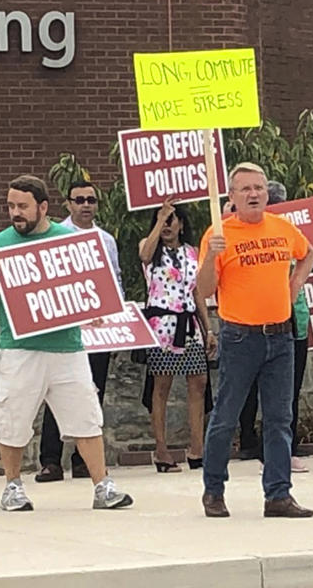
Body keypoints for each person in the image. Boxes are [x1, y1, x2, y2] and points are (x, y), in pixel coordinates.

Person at [0, 175, 132, 511]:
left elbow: (90, 288)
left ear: (43, 207)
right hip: (19, 348)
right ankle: (12, 487)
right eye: (11, 205)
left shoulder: (70, 241)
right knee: (12, 419)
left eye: (23, 206)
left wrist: (95, 311)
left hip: (67, 348)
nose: (16, 212)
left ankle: (103, 486)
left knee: (86, 416)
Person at [198, 162, 313, 518]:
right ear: (231, 197)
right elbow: (203, 291)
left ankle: (278, 494)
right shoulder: (218, 233)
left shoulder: (282, 227)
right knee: (226, 416)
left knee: (280, 418)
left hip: (280, 335)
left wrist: (294, 286)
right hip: (239, 337)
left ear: (267, 193)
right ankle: (214, 491)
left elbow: (307, 253)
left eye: (259, 188)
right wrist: (213, 257)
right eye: (245, 189)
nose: (253, 194)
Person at [35, 180, 123, 483]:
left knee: (92, 393)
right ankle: (50, 460)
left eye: (91, 200)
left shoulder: (107, 240)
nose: (86, 205)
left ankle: (83, 461)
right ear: (69, 204)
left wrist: (118, 318)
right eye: (80, 200)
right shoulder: (56, 236)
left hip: (99, 332)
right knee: (55, 395)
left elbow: (115, 280)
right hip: (65, 334)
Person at [237, 180, 311, 474]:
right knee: (249, 391)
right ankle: (252, 444)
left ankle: (282, 451)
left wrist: (293, 288)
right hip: (252, 324)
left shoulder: (288, 231)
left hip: (292, 319)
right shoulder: (244, 230)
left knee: (285, 394)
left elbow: (309, 255)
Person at [138, 200, 215, 473]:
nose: (168, 226)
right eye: (164, 221)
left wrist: (208, 329)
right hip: (162, 325)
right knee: (161, 387)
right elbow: (144, 257)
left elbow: (198, 291)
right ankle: (162, 450)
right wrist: (159, 220)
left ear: (181, 224)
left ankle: (197, 449)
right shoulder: (149, 247)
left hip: (189, 323)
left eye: (172, 220)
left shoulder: (192, 253)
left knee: (199, 382)